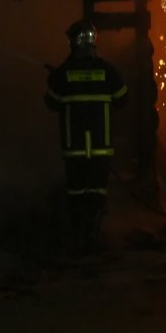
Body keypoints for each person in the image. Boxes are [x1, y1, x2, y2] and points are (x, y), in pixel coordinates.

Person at [45, 20, 127, 255]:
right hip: (101, 148)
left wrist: (56, 77)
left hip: (75, 149)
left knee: (76, 192)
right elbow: (123, 99)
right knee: (97, 191)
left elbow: (51, 103)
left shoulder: (63, 74)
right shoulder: (108, 71)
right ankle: (93, 236)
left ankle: (78, 237)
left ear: (75, 42)